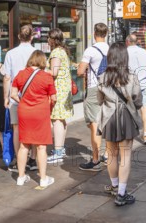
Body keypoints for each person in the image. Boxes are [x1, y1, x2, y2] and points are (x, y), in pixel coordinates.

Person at [96, 42, 143, 206]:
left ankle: (115, 186)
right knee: (126, 155)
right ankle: (122, 193)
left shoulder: (102, 77)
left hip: (109, 118)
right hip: (126, 117)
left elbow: (99, 100)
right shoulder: (131, 77)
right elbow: (138, 100)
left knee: (111, 154)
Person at [10, 51, 57, 187]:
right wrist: (49, 109)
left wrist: (23, 101)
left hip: (24, 111)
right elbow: (54, 98)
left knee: (24, 145)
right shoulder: (46, 77)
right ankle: (43, 179)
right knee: (41, 146)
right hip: (40, 112)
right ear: (43, 61)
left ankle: (21, 177)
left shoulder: (21, 74)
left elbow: (13, 94)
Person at [3, 25, 36, 172]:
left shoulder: (10, 53)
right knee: (34, 128)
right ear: (32, 37)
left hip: (15, 97)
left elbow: (7, 77)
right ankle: (33, 159)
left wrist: (6, 97)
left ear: (18, 37)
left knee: (16, 129)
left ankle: (18, 160)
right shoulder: (36, 53)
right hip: (34, 97)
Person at [77, 23, 110, 171]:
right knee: (108, 121)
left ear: (94, 32)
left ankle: (95, 159)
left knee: (95, 125)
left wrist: (82, 67)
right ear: (106, 33)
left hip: (94, 88)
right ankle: (108, 154)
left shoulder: (90, 50)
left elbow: (80, 71)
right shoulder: (111, 49)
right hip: (109, 88)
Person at [46, 28, 74, 163]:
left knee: (57, 119)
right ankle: (60, 148)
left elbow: (54, 72)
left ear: (52, 39)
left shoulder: (56, 52)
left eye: (48, 38)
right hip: (64, 89)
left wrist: (39, 71)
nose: (47, 40)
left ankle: (57, 151)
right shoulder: (62, 50)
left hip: (58, 89)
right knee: (62, 119)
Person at [126, 33, 146, 144]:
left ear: (127, 41)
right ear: (137, 41)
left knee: (128, 110)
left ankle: (130, 133)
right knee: (144, 108)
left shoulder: (125, 53)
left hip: (128, 87)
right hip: (143, 86)